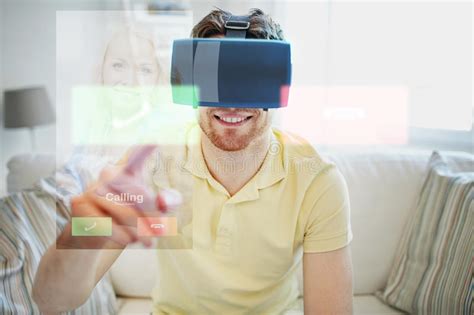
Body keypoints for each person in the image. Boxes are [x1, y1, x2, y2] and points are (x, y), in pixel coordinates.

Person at [33, 8, 353, 314]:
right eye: (215, 78)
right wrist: (85, 228)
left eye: (246, 78)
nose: (230, 102)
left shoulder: (317, 180)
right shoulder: (153, 159)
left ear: (275, 82)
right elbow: (51, 300)